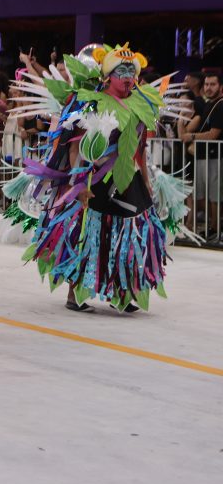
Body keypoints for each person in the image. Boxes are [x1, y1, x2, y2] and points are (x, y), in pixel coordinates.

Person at [19, 44, 175, 313]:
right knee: (87, 234)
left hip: (127, 178)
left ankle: (121, 294)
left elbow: (139, 146)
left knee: (127, 234)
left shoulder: (142, 103)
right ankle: (75, 293)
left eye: (131, 72)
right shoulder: (90, 101)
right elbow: (74, 146)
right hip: (93, 179)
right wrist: (76, 182)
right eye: (121, 72)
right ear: (108, 75)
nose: (127, 77)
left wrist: (146, 180)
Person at [183, 71, 222, 237]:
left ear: (220, 87)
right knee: (205, 195)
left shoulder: (220, 105)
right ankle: (212, 226)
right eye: (206, 84)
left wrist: (192, 137)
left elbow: (213, 134)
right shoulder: (209, 104)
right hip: (205, 156)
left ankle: (215, 228)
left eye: (213, 84)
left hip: (215, 156)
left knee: (214, 195)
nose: (209, 88)